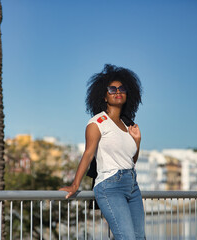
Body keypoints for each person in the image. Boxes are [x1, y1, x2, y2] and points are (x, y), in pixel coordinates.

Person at [60, 64, 145, 239]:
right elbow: (88, 154)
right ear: (104, 96)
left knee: (140, 237)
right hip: (110, 185)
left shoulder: (127, 125)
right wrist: (75, 184)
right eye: (112, 89)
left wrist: (137, 141)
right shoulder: (97, 123)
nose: (117, 91)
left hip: (132, 185)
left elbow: (131, 160)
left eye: (122, 88)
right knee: (127, 237)